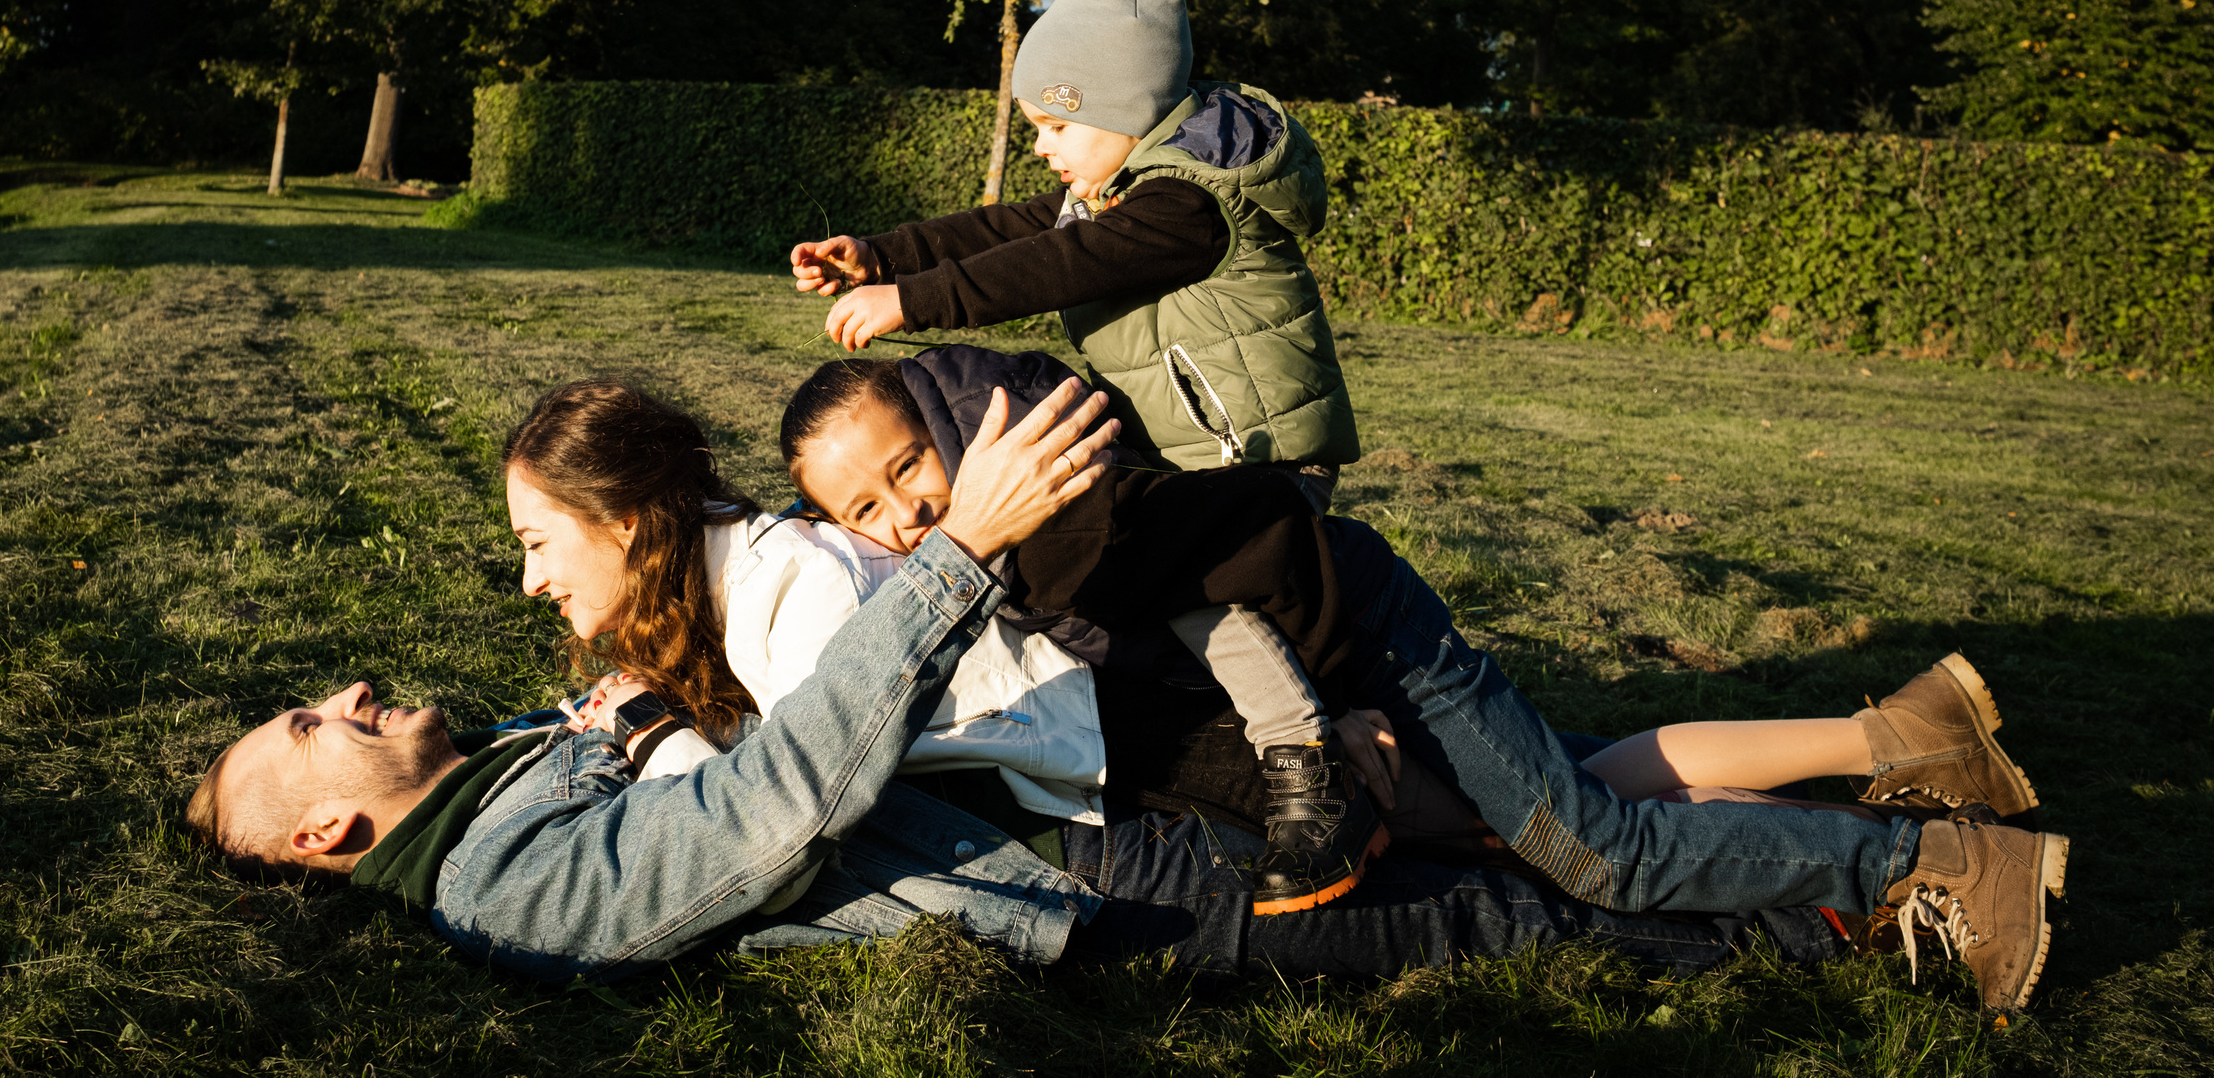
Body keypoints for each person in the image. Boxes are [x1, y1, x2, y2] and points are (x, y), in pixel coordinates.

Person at [182, 378, 2044, 1002]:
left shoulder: (518, 779)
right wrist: (955, 557)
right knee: (1512, 874)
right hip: (1105, 852)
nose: (339, 686)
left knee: (1539, 851)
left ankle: (1900, 863)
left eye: (537, 543)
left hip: (1138, 800)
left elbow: (751, 758)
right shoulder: (507, 881)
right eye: (303, 726)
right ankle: (1880, 848)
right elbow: (772, 810)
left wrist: (635, 717)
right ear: (334, 829)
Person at [787, 0, 1367, 906]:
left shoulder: (1186, 205)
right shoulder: (1118, 182)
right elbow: (1008, 229)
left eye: (1057, 124)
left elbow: (1056, 265)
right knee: (1105, 566)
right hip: (1190, 448)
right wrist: (880, 253)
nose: (1046, 147)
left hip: (1255, 462)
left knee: (1186, 594)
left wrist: (913, 300)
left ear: (1124, 108)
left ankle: (1308, 769)